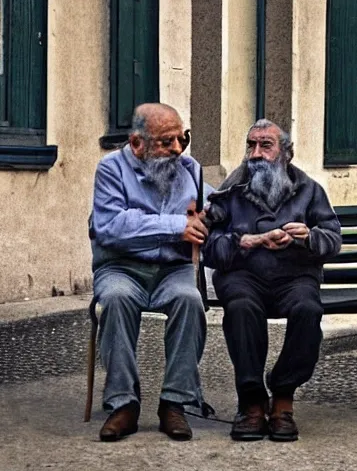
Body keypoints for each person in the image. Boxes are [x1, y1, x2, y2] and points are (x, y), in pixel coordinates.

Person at [203, 119, 342, 442]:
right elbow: (209, 248)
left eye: (266, 146)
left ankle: (282, 395)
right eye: (251, 146)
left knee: (308, 309)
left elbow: (332, 239)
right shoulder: (231, 191)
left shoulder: (309, 190)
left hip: (294, 276)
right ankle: (251, 402)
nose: (256, 154)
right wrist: (246, 241)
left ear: (285, 153)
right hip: (243, 275)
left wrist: (309, 237)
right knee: (240, 307)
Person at [89, 103, 210, 442]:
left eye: (180, 139)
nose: (176, 149)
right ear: (137, 143)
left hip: (173, 269)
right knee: (116, 298)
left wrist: (213, 221)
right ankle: (123, 404)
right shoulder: (111, 169)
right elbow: (111, 225)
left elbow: (211, 209)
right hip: (121, 266)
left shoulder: (190, 169)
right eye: (165, 142)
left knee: (190, 300)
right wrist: (177, 226)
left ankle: (174, 402)